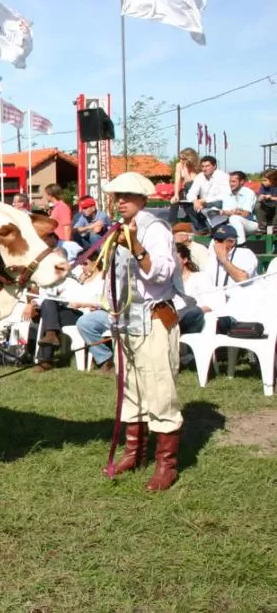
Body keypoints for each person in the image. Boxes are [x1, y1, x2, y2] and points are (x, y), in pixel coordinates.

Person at [102, 171, 183, 492]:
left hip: (154, 318)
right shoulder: (117, 230)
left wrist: (135, 245)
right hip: (127, 320)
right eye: (117, 196)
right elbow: (114, 276)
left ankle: (167, 465)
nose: (120, 201)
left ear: (142, 199)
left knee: (161, 390)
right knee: (131, 390)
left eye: (127, 196)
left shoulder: (154, 229)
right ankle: (134, 452)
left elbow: (161, 274)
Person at [184, 155, 230, 231]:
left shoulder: (223, 176)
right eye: (203, 166)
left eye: (207, 166)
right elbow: (191, 193)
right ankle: (202, 228)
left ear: (214, 166)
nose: (204, 169)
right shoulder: (199, 177)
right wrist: (195, 201)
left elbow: (224, 195)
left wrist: (204, 200)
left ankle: (213, 226)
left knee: (219, 203)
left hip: (217, 203)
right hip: (202, 204)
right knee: (187, 204)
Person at [217, 170, 257, 244]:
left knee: (234, 218)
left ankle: (241, 244)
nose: (230, 184)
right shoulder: (227, 194)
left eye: (233, 181)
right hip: (232, 223)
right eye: (230, 181)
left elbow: (246, 214)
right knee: (219, 230)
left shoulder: (249, 193)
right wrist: (221, 212)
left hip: (250, 224)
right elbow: (227, 212)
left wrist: (233, 212)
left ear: (241, 182)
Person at [168, 147, 199, 224]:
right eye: (180, 158)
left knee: (190, 186)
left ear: (189, 159)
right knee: (174, 200)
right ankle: (171, 222)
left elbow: (197, 183)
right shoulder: (179, 165)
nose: (180, 160)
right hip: (186, 190)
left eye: (183, 159)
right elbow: (177, 181)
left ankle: (190, 218)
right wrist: (175, 195)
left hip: (197, 190)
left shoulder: (198, 167)